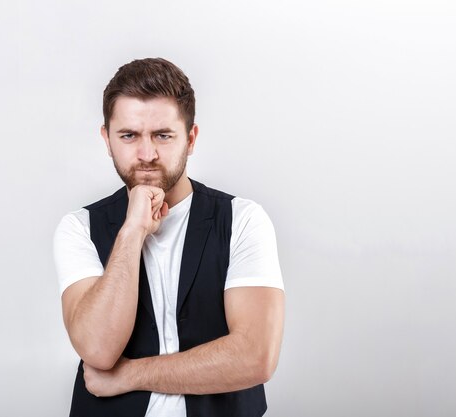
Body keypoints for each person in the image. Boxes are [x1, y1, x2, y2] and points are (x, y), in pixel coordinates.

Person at [53, 57, 285, 417]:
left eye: (163, 135)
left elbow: (256, 356)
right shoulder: (79, 227)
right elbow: (98, 348)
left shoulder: (243, 220)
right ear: (107, 139)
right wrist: (131, 233)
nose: (147, 155)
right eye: (129, 136)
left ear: (190, 139)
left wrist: (128, 375)